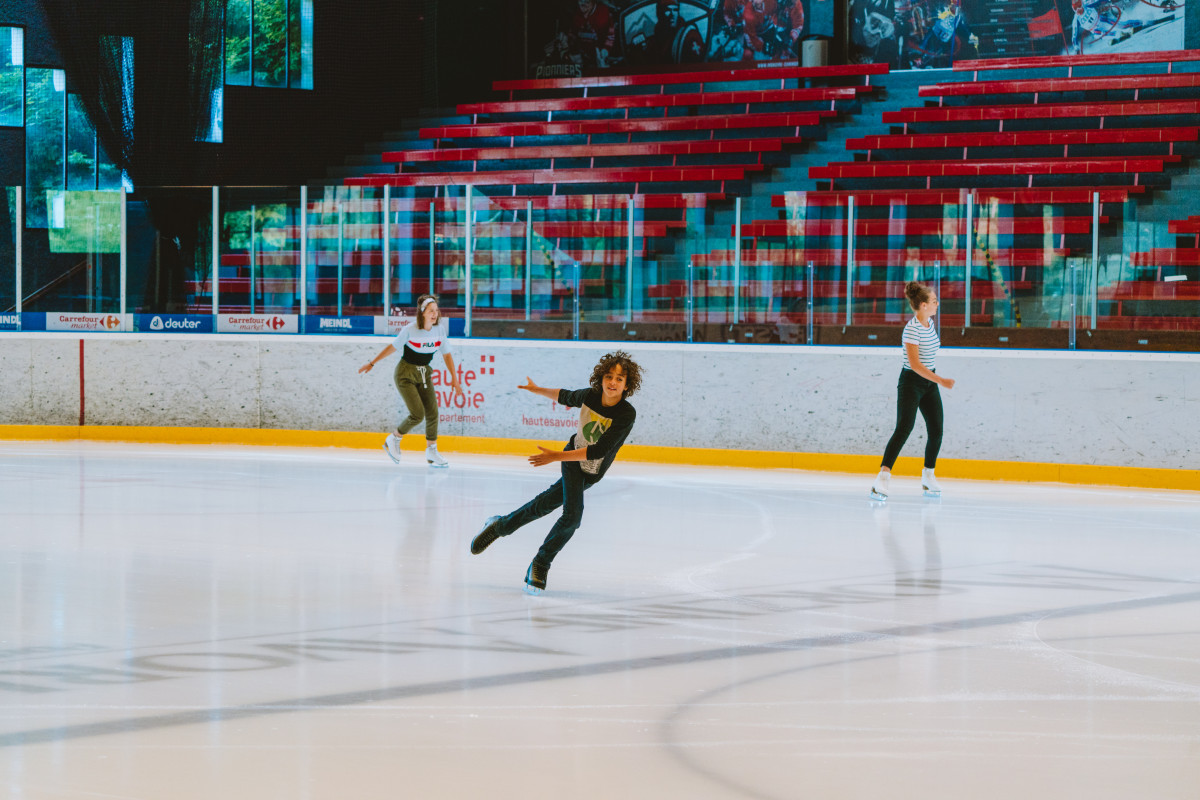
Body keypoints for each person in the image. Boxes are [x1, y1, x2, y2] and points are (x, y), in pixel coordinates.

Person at [469, 350, 643, 594]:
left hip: (592, 470)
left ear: (627, 385)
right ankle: (540, 564)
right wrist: (537, 389)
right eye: (609, 376)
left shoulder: (626, 414)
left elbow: (599, 450)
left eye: (619, 379)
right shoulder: (590, 396)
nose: (612, 382)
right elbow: (565, 396)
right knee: (572, 517)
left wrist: (554, 457)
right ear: (601, 378)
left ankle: (500, 526)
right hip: (572, 461)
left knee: (545, 504)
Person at [870, 281, 955, 501]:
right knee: (904, 428)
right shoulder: (911, 329)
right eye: (934, 301)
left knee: (936, 430)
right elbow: (915, 365)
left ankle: (928, 475)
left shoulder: (930, 323)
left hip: (929, 384)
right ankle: (882, 477)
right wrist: (941, 380)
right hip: (911, 383)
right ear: (924, 305)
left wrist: (935, 381)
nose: (937, 304)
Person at [359, 294, 463, 467]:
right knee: (417, 414)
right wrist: (372, 363)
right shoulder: (410, 329)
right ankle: (394, 438)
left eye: (436, 310)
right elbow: (392, 347)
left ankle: (431, 451)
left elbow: (447, 355)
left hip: (424, 374)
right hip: (405, 375)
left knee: (432, 412)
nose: (435, 314)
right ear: (422, 313)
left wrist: (455, 378)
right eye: (431, 311)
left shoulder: (440, 330)